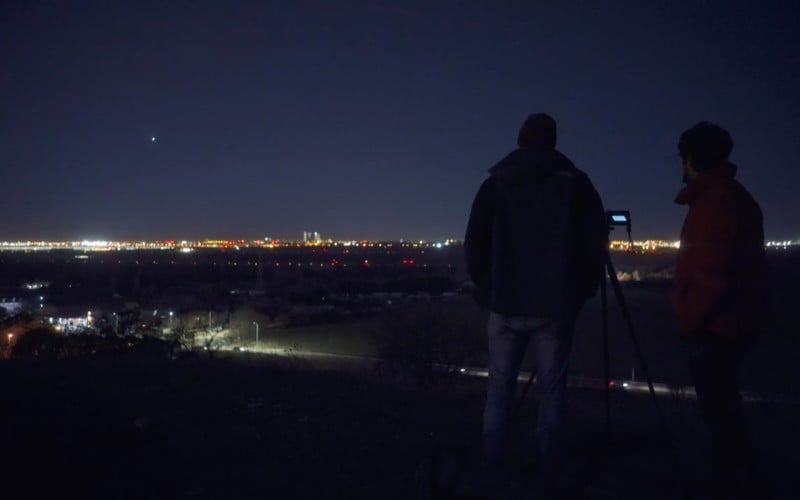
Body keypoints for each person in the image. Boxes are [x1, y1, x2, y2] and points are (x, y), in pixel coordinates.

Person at [464, 113, 607, 492]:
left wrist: (486, 288)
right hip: (555, 306)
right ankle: (548, 471)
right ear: (554, 142)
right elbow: (594, 245)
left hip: (505, 304)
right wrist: (579, 292)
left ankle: (492, 467)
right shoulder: (576, 184)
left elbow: (475, 243)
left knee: (499, 391)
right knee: (552, 392)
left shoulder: (496, 183)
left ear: (520, 140)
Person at [672, 122, 767, 497]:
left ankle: (728, 484)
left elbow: (712, 275)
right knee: (724, 411)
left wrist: (689, 323)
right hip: (731, 324)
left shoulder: (715, 203)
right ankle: (733, 478)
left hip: (715, 329)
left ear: (691, 158)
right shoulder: (733, 197)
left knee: (721, 415)